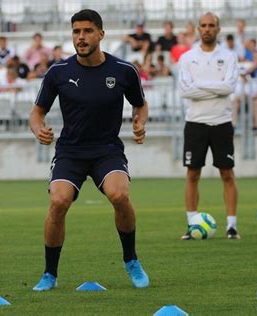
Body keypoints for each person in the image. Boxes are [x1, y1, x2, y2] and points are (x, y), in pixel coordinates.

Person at [29, 9, 149, 291]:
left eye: (87, 31)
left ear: (101, 34)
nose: (80, 38)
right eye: (76, 32)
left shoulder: (123, 70)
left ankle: (131, 260)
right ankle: (49, 274)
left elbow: (140, 104)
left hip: (107, 150)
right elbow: (36, 113)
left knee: (119, 195)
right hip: (70, 151)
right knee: (58, 202)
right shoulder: (59, 72)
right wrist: (38, 129)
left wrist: (139, 122)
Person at [178, 12, 240, 240]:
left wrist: (200, 86)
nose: (207, 29)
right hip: (195, 123)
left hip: (222, 122)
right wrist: (217, 86)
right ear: (197, 28)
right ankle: (192, 223)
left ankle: (231, 226)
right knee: (192, 174)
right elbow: (185, 91)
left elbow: (230, 87)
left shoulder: (230, 56)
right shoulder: (186, 58)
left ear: (218, 28)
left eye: (211, 25)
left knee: (227, 173)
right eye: (203, 25)